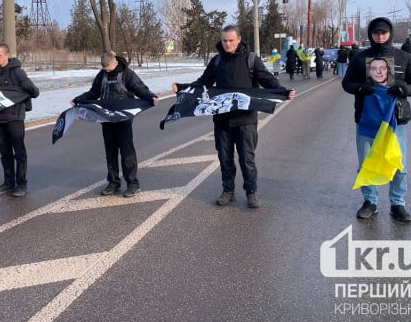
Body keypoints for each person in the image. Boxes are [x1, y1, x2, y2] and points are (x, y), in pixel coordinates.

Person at [172, 25, 295, 208]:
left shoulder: (251, 60)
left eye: (231, 40)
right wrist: (182, 88)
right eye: (224, 40)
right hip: (222, 120)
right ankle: (228, 190)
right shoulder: (217, 61)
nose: (227, 44)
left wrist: (283, 92)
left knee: (247, 159)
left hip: (246, 120)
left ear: (238, 39)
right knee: (225, 158)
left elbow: (267, 80)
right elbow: (202, 84)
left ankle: (251, 191)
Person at [342, 17, 411, 222]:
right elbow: (347, 83)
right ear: (371, 34)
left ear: (389, 33)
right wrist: (360, 87)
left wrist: (404, 89)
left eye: (384, 32)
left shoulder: (404, 57)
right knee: (366, 164)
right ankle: (370, 201)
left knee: (398, 164)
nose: (380, 36)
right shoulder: (360, 58)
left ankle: (397, 204)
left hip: (394, 121)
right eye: (376, 32)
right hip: (366, 120)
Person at [72, 51, 159, 198]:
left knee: (127, 153)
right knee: (110, 152)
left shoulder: (127, 74)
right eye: (104, 68)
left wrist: (151, 97)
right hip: (106, 119)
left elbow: (140, 88)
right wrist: (78, 100)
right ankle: (113, 182)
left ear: (115, 63)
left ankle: (133, 184)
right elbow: (93, 92)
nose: (106, 70)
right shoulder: (102, 75)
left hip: (123, 120)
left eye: (108, 68)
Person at [0, 44, 40, 197]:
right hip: (0, 118)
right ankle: (8, 183)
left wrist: (23, 90)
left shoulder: (18, 72)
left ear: (7, 55)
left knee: (19, 153)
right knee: (5, 153)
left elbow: (34, 91)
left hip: (15, 118)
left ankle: (21, 184)